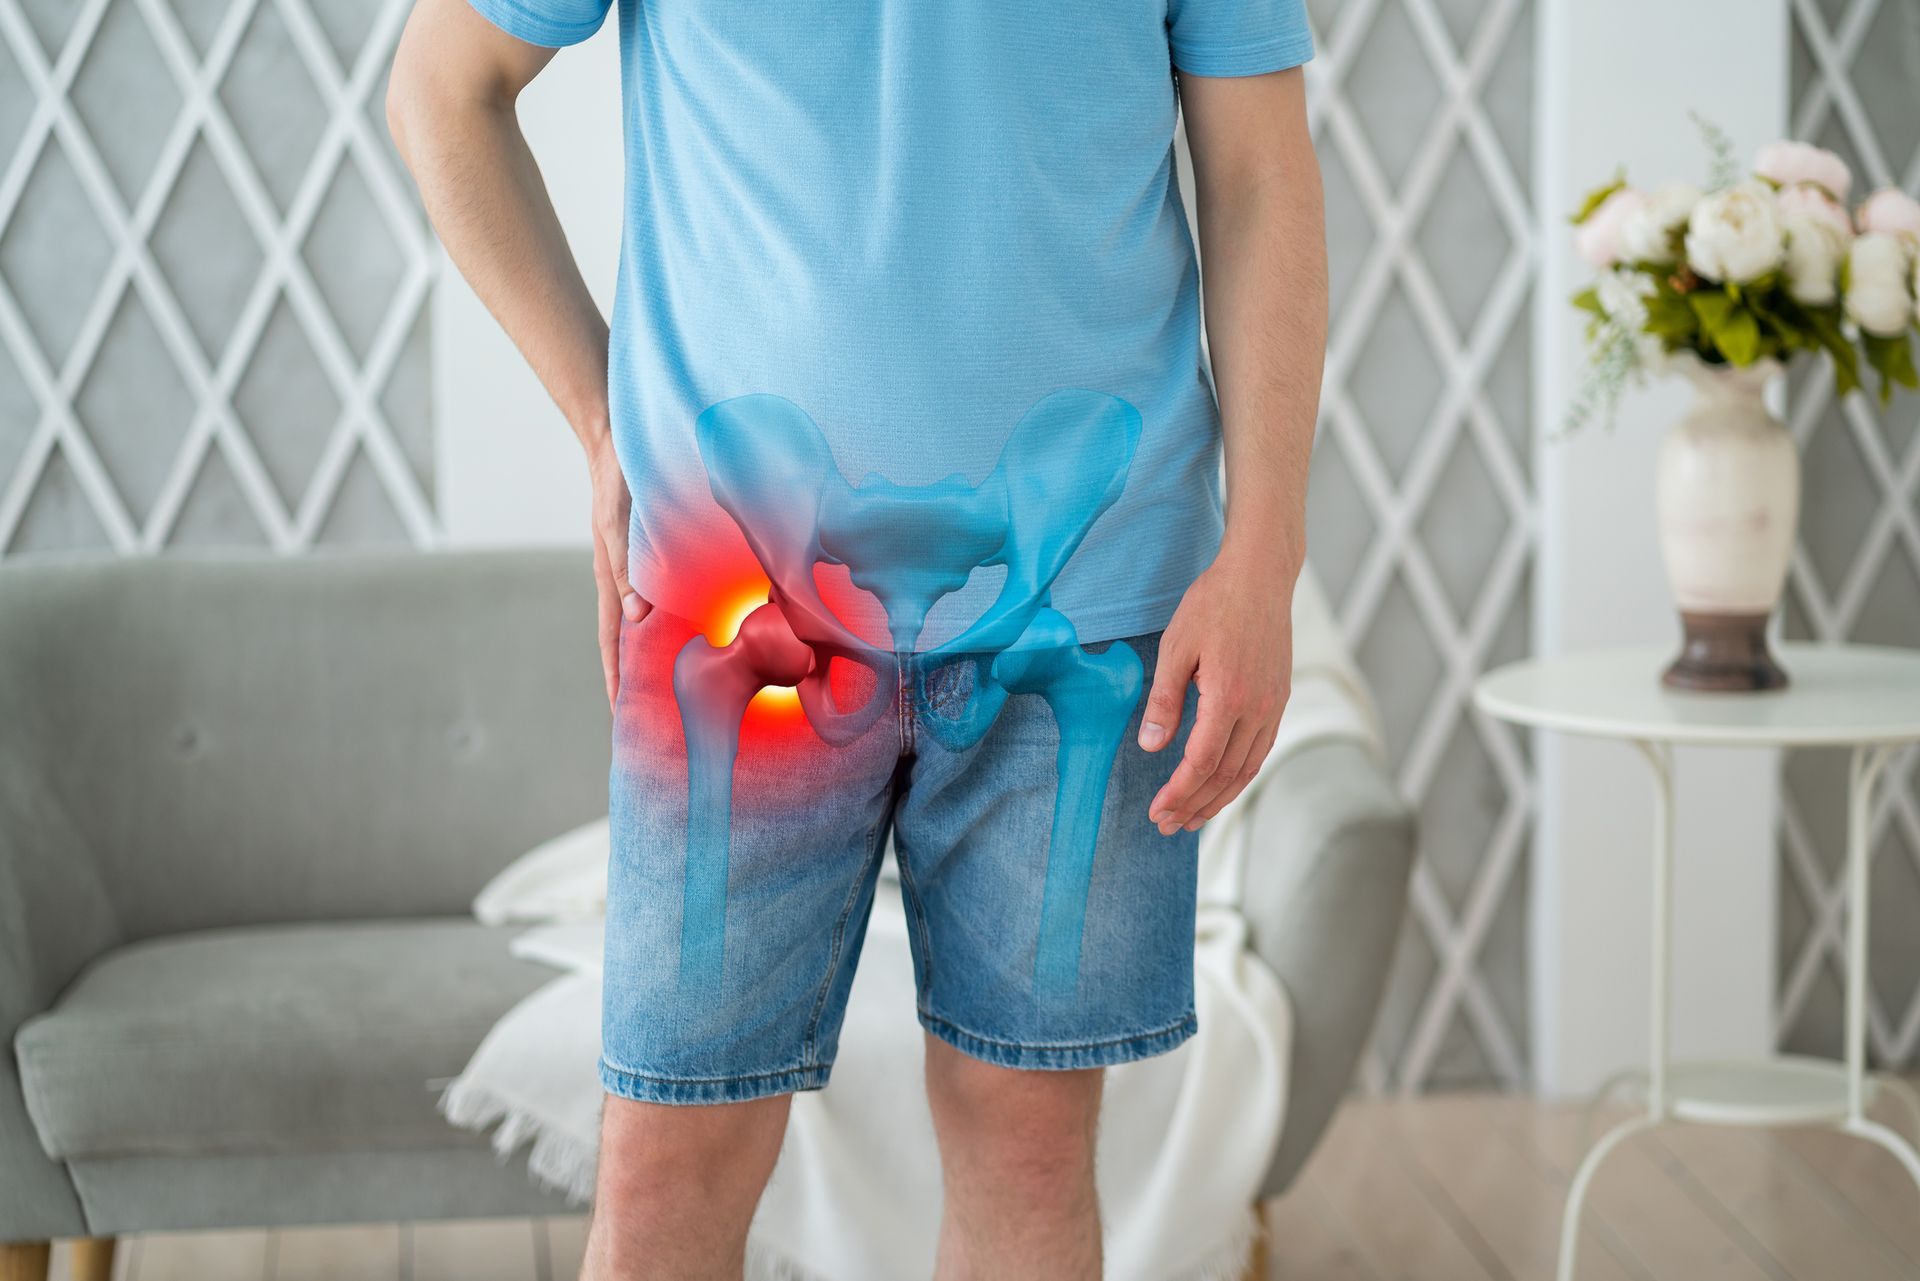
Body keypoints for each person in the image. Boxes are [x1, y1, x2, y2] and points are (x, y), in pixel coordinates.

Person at [387, 0, 1326, 1275]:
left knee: (1033, 1143)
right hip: (734, 603)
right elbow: (443, 88)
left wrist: (1265, 551)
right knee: (667, 1158)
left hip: (1087, 610)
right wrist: (600, 422)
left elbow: (1262, 168)